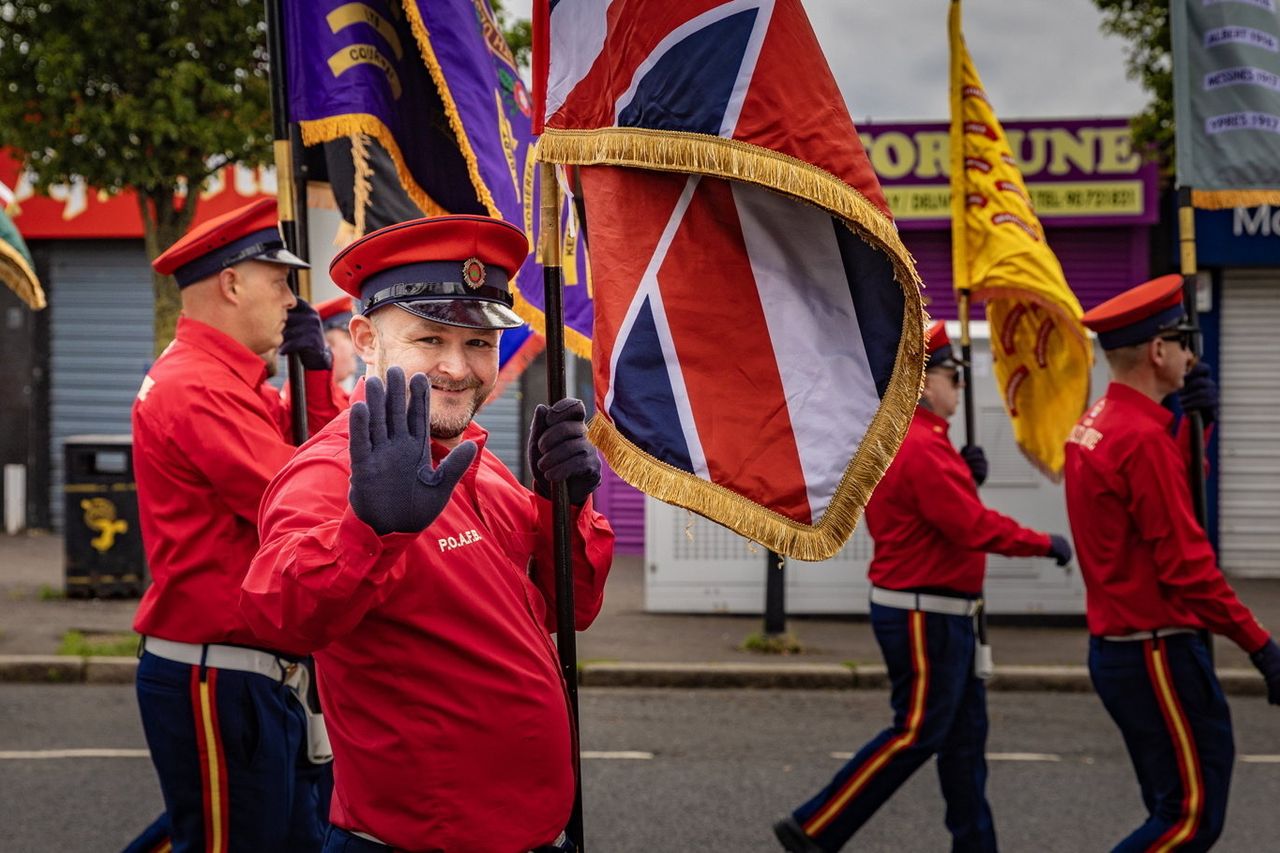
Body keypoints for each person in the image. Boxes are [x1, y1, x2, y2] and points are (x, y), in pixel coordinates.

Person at [241, 214, 615, 853]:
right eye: (429, 338)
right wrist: (372, 528)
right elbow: (281, 619)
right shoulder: (332, 472)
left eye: (478, 343)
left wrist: (564, 508)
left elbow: (568, 610)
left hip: (535, 829)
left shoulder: (476, 455)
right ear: (364, 337)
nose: (457, 367)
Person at [774, 321, 1074, 853]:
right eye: (952, 377)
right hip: (924, 612)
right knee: (916, 732)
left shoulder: (918, 442)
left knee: (963, 743)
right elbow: (972, 527)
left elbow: (941, 514)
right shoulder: (922, 447)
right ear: (925, 383)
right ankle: (816, 827)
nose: (959, 388)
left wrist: (965, 474)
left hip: (941, 611)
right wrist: (1043, 543)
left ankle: (975, 844)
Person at [130, 198, 341, 852]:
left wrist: (317, 376)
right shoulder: (198, 386)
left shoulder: (227, 379)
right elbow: (305, 495)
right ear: (231, 282)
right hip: (221, 668)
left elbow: (312, 454)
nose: (290, 301)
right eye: (278, 281)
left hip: (251, 668)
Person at [1064, 274, 1280, 851]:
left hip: (1123, 648)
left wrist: (1193, 433)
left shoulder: (1102, 423)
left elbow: (1157, 508)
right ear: (1158, 351)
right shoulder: (1142, 440)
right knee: (1190, 818)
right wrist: (1260, 645)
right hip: (1156, 649)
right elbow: (1188, 565)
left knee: (1167, 810)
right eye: (1184, 342)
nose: (1191, 356)